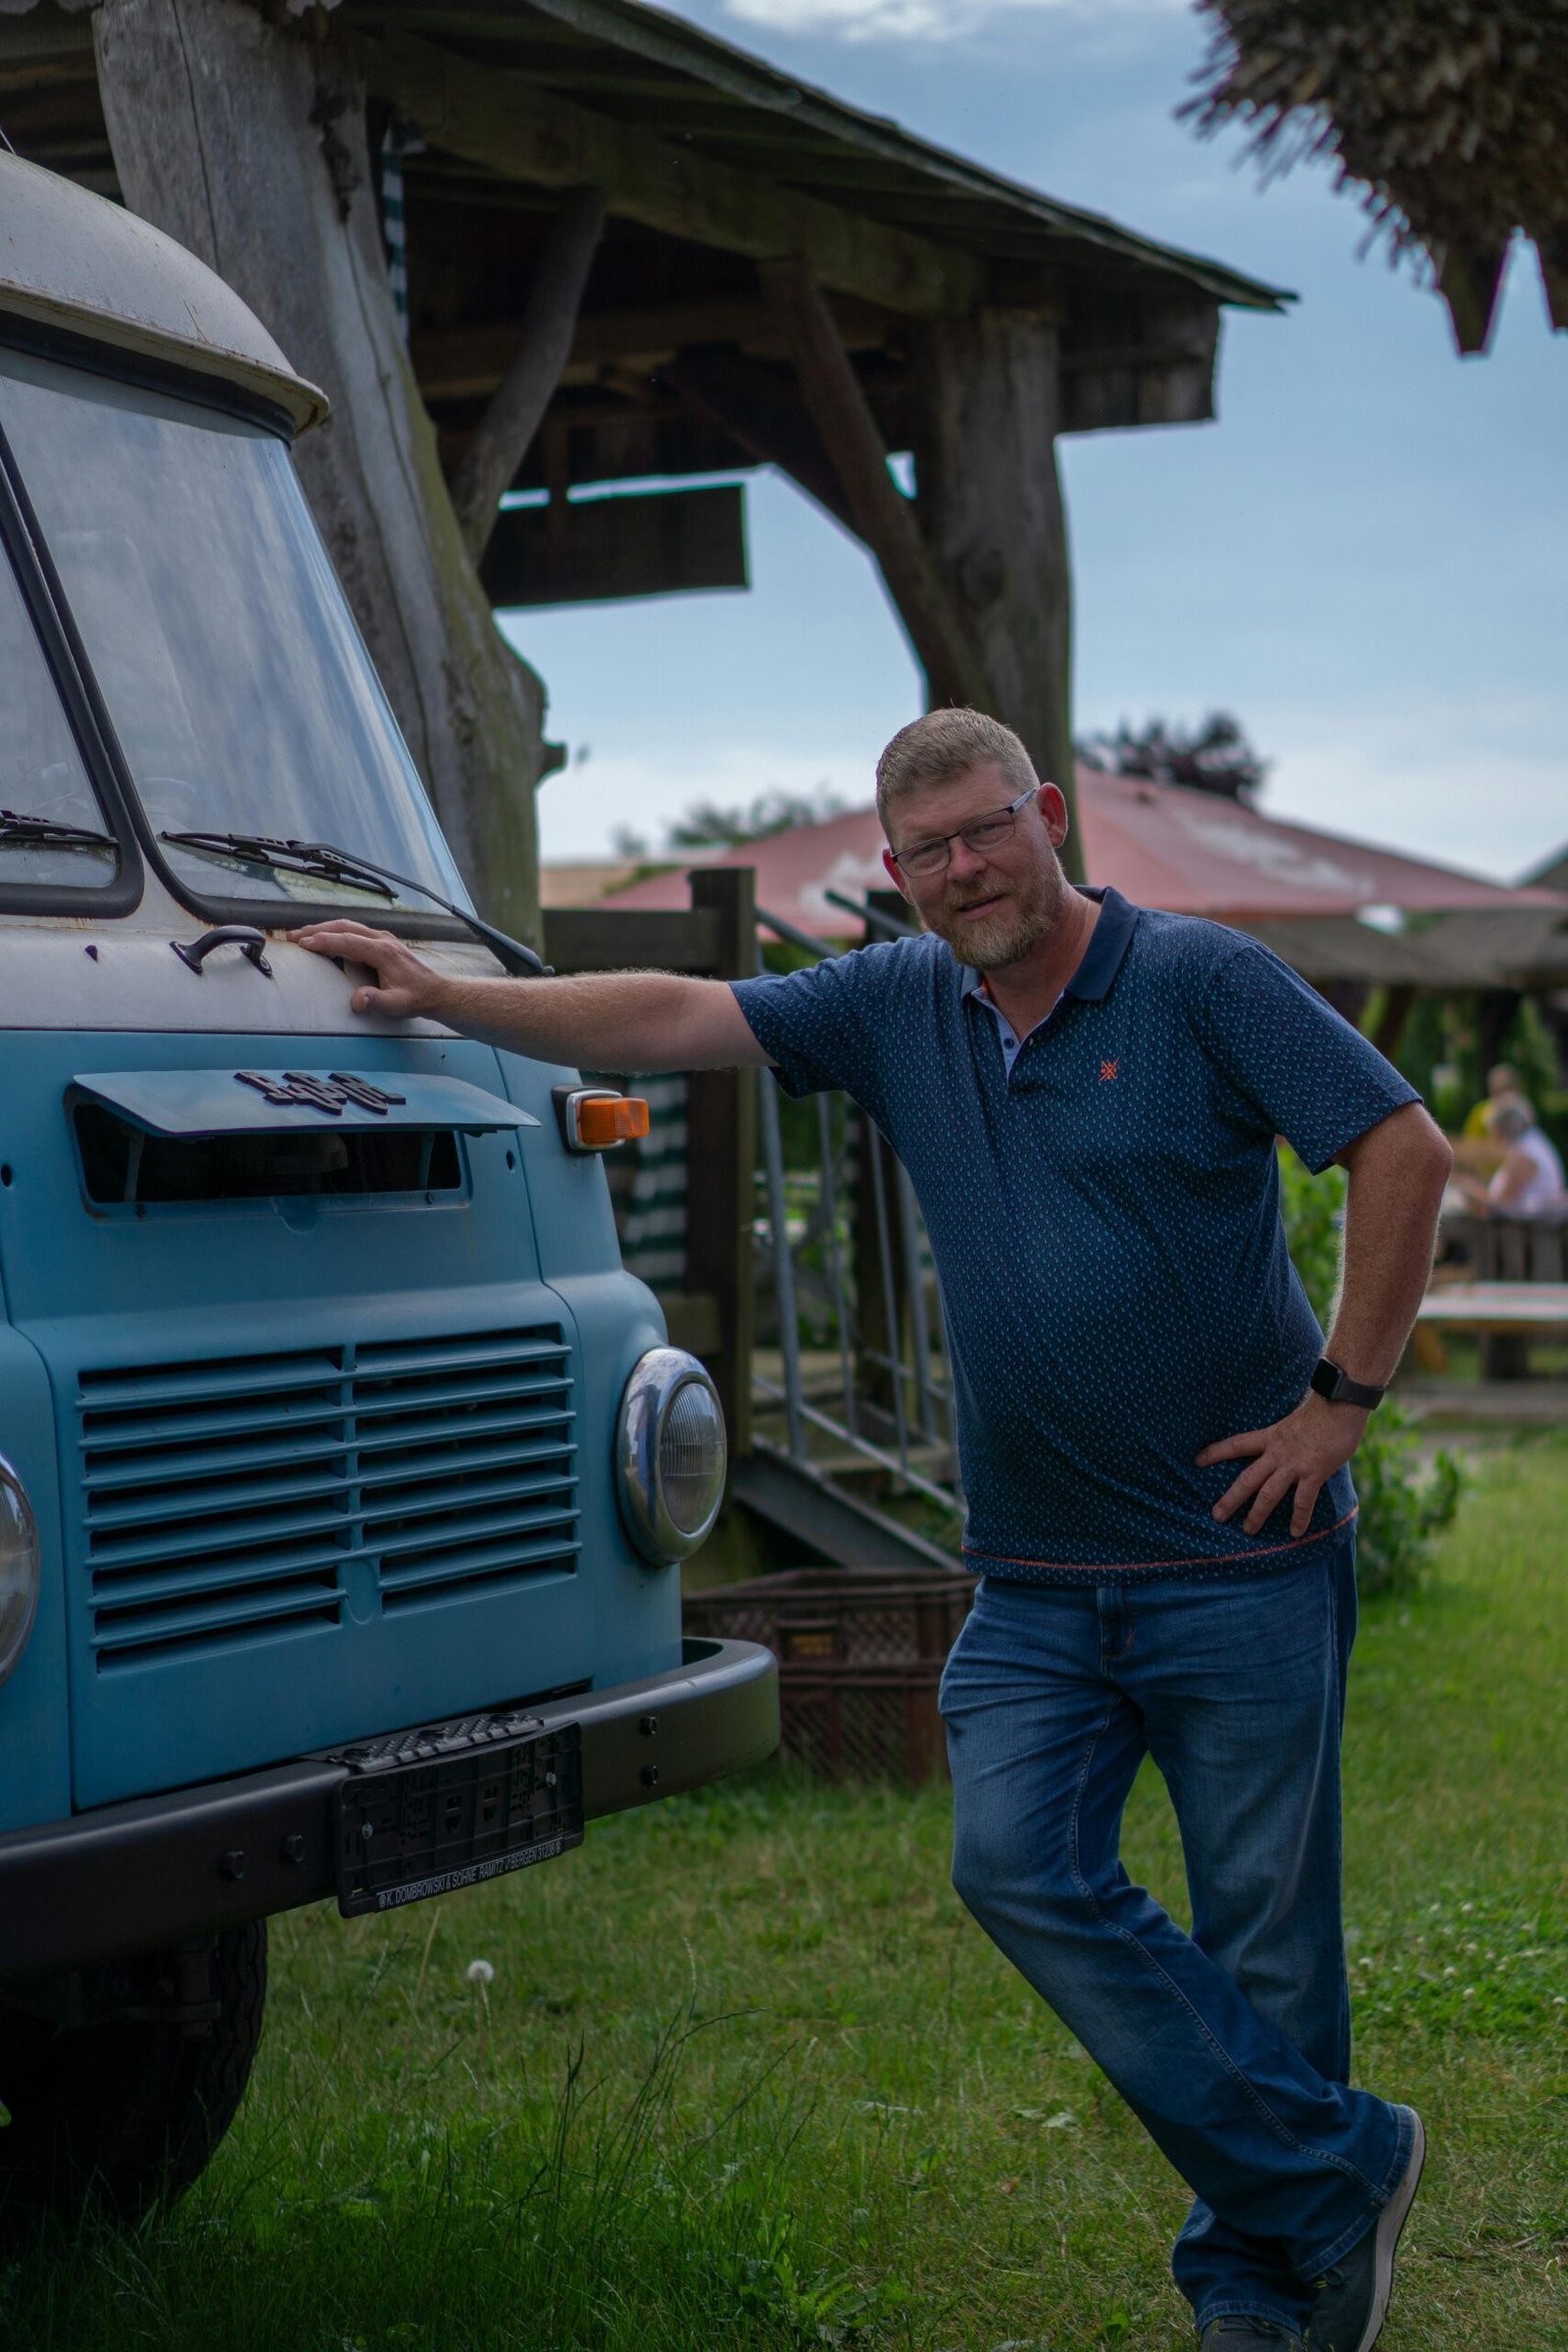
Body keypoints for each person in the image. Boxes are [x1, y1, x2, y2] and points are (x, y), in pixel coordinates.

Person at [293, 709, 1452, 2352]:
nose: (964, 868)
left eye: (987, 829)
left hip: (1237, 1563)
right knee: (1013, 1864)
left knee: (1267, 1945)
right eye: (928, 850)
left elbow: (1399, 1146)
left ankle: (1270, 2306)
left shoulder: (1199, 982)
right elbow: (678, 1009)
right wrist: (446, 997)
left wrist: (1343, 1400)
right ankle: (1345, 2169)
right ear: (894, 869)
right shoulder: (903, 1002)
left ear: (1048, 815)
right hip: (1040, 1581)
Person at [1455, 1097, 1568, 1218]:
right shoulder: (1531, 1141)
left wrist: (1466, 1184)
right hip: (1530, 1224)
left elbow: (1501, 1204)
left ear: (1500, 1130)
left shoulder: (1524, 1153)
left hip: (1527, 1229)